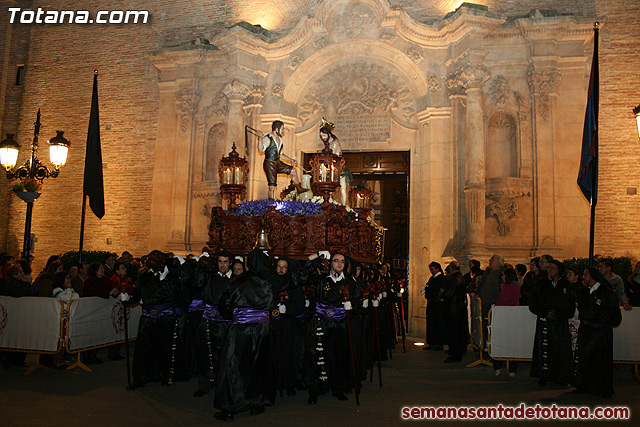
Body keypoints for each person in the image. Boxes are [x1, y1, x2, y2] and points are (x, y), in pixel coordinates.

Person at [213, 250, 283, 420]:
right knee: (259, 366)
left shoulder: (237, 281)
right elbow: (294, 279)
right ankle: (256, 403)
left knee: (233, 366)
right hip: (263, 330)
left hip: (241, 330)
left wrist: (237, 315)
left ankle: (231, 406)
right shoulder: (271, 282)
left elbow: (224, 305)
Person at [305, 251, 360, 405]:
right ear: (331, 263)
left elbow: (357, 303)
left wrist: (352, 306)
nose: (339, 264)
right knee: (317, 355)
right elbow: (307, 267)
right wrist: (316, 255)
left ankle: (337, 388)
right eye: (336, 261)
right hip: (321, 323)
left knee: (338, 356)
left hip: (340, 324)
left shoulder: (350, 283)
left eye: (342, 261)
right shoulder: (321, 280)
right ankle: (315, 390)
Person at [573, 267, 622, 397]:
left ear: (592, 276)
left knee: (600, 360)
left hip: (600, 331)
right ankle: (584, 385)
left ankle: (602, 388)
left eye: (585, 275)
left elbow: (615, 316)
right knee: (584, 358)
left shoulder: (606, 293)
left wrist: (602, 322)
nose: (583, 277)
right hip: (586, 330)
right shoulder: (584, 292)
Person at [193, 251, 234, 397]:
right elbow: (197, 286)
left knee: (225, 354)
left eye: (225, 262)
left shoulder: (235, 280)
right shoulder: (210, 278)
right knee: (205, 353)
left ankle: (225, 383)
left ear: (230, 263)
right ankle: (205, 384)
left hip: (226, 324)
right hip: (208, 322)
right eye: (220, 262)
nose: (222, 265)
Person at [529, 259, 574, 386]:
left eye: (552, 268)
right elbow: (534, 301)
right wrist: (542, 312)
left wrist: (564, 314)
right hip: (545, 321)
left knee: (560, 349)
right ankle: (543, 375)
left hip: (560, 322)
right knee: (544, 348)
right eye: (548, 268)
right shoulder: (542, 284)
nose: (550, 270)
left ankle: (561, 376)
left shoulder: (566, 285)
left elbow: (570, 303)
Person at [258, 120, 305, 200]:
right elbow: (261, 149)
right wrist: (259, 139)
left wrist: (291, 160)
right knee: (272, 186)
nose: (283, 131)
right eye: (282, 129)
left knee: (293, 170)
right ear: (276, 129)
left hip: (277, 162)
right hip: (269, 163)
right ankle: (271, 205)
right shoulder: (267, 138)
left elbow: (281, 154)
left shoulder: (280, 139)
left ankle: (299, 188)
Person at [492, 267, 520, 377]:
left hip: (510, 317)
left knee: (511, 343)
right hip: (501, 316)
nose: (502, 277)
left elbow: (512, 301)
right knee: (500, 342)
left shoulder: (514, 286)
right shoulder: (503, 286)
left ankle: (512, 368)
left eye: (503, 275)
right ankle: (498, 366)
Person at [476, 255, 504, 358]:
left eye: (492, 260)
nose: (489, 261)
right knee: (484, 329)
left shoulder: (501, 274)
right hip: (484, 305)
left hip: (494, 307)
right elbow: (482, 285)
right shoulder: (487, 273)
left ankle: (493, 353)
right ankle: (485, 351)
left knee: (493, 331)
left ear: (498, 263)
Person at [442, 261, 468, 363]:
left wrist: (443, 294)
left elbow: (449, 294)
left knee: (453, 333)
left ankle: (455, 355)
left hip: (453, 310)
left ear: (451, 269)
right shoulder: (460, 278)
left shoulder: (455, 280)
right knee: (457, 332)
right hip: (458, 309)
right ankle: (456, 352)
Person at [418, 261, 447, 351]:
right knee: (430, 323)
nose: (431, 271)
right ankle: (431, 342)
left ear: (437, 269)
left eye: (432, 269)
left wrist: (430, 289)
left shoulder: (442, 278)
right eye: (430, 269)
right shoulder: (432, 278)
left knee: (438, 323)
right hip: (431, 303)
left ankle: (438, 343)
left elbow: (439, 289)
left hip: (437, 304)